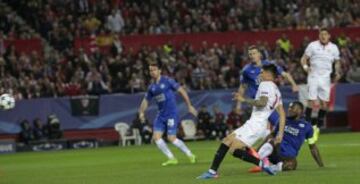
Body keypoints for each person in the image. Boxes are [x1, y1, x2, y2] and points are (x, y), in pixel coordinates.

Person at [197, 64, 286, 179]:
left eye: (262, 72)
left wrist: (243, 99)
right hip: (258, 124)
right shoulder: (276, 90)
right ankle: (213, 171)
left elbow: (262, 103)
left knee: (231, 145)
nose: (260, 74)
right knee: (230, 144)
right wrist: (280, 133)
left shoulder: (265, 84)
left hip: (255, 124)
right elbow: (282, 114)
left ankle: (213, 171)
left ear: (269, 74)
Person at [138, 60, 197, 166]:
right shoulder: (152, 87)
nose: (152, 72)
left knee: (171, 138)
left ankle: (190, 154)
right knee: (156, 137)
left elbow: (182, 91)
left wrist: (189, 105)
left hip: (171, 114)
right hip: (161, 115)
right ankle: (172, 158)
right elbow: (145, 100)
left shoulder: (168, 81)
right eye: (150, 70)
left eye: (154, 70)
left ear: (159, 71)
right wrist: (141, 112)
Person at [248, 101, 324, 173]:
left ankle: (270, 167)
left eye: (292, 108)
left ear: (300, 111)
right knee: (272, 141)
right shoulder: (283, 120)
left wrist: (321, 165)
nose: (289, 110)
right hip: (276, 150)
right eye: (289, 108)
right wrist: (258, 149)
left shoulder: (307, 127)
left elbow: (312, 147)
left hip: (288, 156)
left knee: (292, 165)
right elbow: (272, 135)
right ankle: (258, 159)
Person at [237, 45, 298, 130]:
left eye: (254, 53)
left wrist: (294, 84)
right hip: (259, 102)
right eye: (250, 54)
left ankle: (286, 136)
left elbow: (285, 74)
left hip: (271, 98)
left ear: (259, 54)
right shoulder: (246, 70)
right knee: (275, 125)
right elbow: (242, 87)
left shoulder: (269, 65)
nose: (252, 56)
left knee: (278, 123)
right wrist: (238, 105)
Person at [300, 28, 341, 143]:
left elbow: (337, 61)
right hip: (313, 75)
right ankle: (307, 128)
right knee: (311, 101)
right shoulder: (312, 45)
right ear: (319, 36)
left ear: (329, 36)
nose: (323, 36)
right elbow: (303, 58)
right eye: (321, 34)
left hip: (325, 78)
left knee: (324, 104)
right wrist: (306, 67)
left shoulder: (334, 48)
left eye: (325, 34)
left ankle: (317, 127)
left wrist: (337, 71)